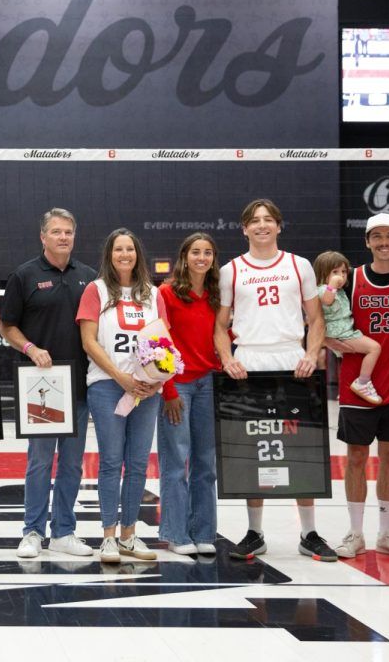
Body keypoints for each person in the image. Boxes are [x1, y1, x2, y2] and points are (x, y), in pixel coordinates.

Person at [213, 199, 335, 562]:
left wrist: (311, 355)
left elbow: (316, 320)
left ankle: (309, 532)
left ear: (279, 226)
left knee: (302, 447)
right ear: (244, 228)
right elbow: (220, 326)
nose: (262, 226)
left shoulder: (299, 266)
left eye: (268, 220)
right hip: (249, 360)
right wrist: (228, 357)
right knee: (253, 449)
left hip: (291, 359)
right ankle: (254, 532)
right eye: (255, 221)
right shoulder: (230, 270)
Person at [1, 208, 96, 559]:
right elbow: (7, 327)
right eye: (56, 232)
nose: (63, 237)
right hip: (41, 386)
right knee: (40, 462)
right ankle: (32, 531)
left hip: (80, 387)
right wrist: (30, 348)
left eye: (68, 232)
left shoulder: (89, 277)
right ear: (43, 237)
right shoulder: (24, 276)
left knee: (72, 464)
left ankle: (64, 532)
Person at [327, 214, 389, 560]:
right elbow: (328, 326)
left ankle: (386, 532)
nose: (383, 242)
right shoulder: (350, 279)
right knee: (355, 458)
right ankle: (355, 532)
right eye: (376, 236)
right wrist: (347, 345)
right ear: (367, 241)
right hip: (357, 386)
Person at [77, 228, 167, 564]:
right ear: (109, 255)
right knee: (112, 461)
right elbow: (89, 341)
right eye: (118, 249)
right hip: (106, 384)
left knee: (139, 463)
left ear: (137, 254)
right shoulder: (95, 290)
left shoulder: (152, 294)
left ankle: (130, 534)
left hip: (146, 389)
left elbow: (163, 343)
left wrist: (155, 381)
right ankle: (109, 537)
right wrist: (121, 377)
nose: (124, 254)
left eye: (130, 249)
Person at [157, 232, 222, 557]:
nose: (202, 257)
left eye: (207, 252)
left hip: (209, 382)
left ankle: (204, 531)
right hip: (178, 386)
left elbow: (224, 335)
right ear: (185, 256)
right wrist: (168, 389)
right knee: (175, 462)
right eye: (196, 252)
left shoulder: (216, 295)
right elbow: (160, 343)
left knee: (205, 463)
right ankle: (175, 532)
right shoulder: (167, 293)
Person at [314, 251, 383, 405]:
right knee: (375, 348)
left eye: (344, 271)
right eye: (335, 272)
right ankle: (363, 382)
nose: (341, 276)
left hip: (345, 332)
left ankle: (350, 387)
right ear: (323, 272)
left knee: (351, 363)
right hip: (341, 334)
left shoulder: (338, 290)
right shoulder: (323, 289)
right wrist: (331, 285)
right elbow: (326, 300)